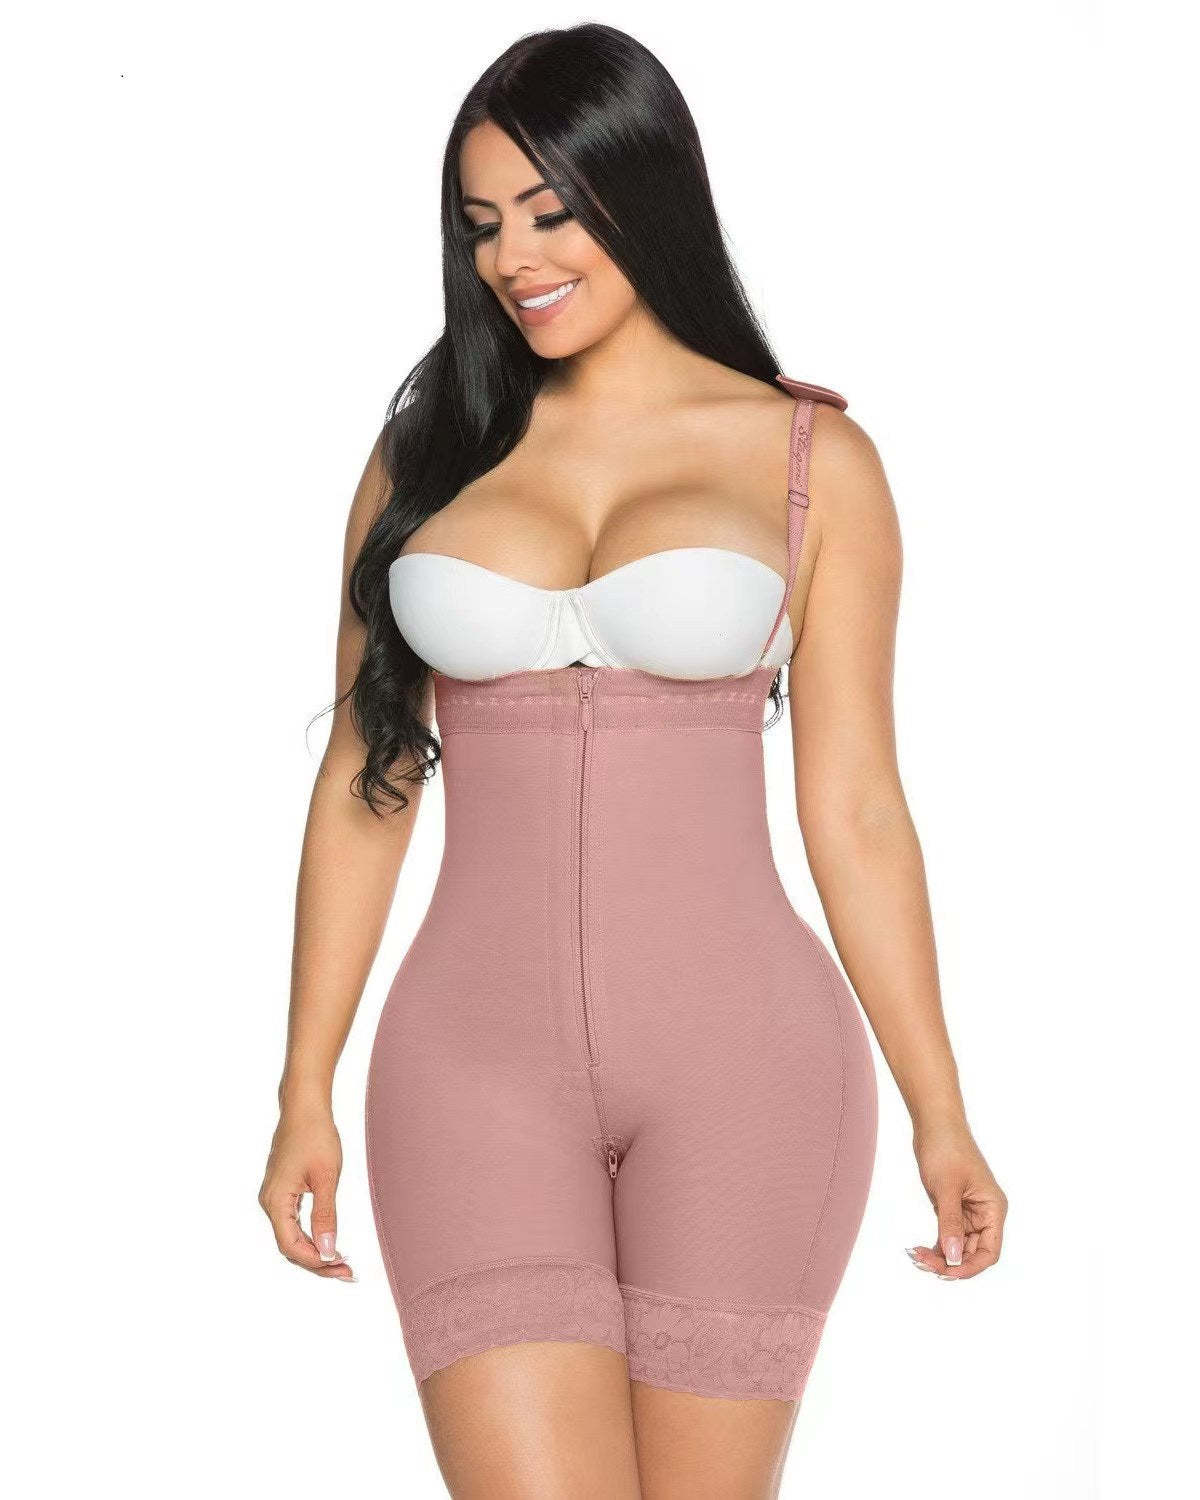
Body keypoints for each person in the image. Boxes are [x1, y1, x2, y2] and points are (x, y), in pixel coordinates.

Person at [259, 22, 1007, 1498]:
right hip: (468, 1071)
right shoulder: (427, 456)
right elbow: (366, 779)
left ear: (643, 192)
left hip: (750, 1072)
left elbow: (857, 807)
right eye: (483, 224)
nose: (513, 259)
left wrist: (942, 1110)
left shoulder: (812, 462)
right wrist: (302, 1082)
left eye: (551, 212)